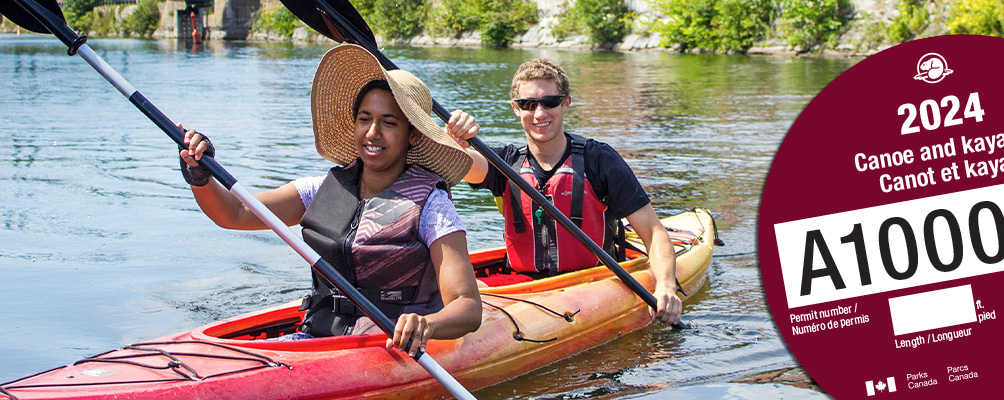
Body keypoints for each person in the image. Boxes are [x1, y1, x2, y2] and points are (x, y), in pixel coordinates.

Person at [177, 44, 481, 355]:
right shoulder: (322, 188)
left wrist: (427, 325)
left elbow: (467, 306)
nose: (373, 132)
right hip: (318, 338)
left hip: (390, 349)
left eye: (389, 122)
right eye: (365, 119)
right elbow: (236, 213)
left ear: (412, 134)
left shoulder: (432, 205)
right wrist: (200, 175)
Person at [447, 58, 684, 326]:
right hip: (521, 287)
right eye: (528, 104)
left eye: (550, 102)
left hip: (591, 283)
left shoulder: (600, 161)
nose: (539, 114)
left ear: (566, 103)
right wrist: (452, 138)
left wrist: (666, 285)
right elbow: (457, 161)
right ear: (515, 108)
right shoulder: (505, 163)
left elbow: (653, 232)